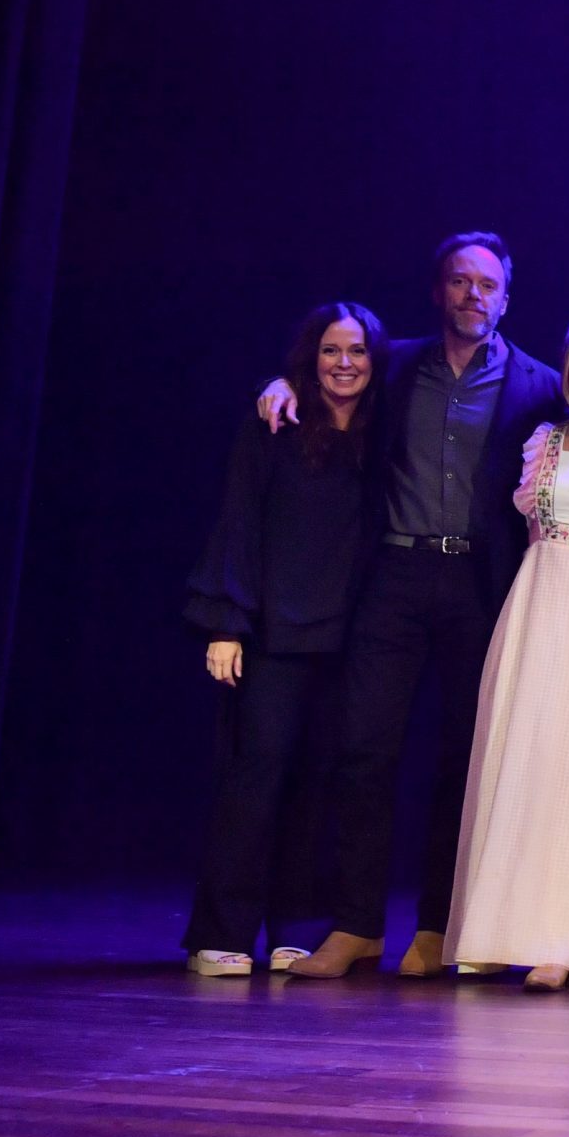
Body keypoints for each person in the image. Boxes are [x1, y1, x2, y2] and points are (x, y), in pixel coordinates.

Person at [272, 233, 567, 979]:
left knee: (465, 759)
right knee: (364, 750)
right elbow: (323, 389)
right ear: (439, 292)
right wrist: (276, 389)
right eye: (460, 282)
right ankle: (357, 925)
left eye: (488, 284)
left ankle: (439, 925)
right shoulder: (393, 365)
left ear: (507, 296)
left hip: (481, 582)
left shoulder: (538, 383)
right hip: (393, 576)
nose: (474, 294)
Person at [183, 303, 388, 975]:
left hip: (347, 637)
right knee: (255, 779)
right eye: (331, 350)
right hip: (271, 631)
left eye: (356, 350)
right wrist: (226, 623)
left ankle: (294, 925)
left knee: (318, 784)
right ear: (311, 356)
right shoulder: (275, 424)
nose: (345, 363)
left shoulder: (381, 434)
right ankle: (224, 931)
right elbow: (239, 520)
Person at [441, 315, 569, 990]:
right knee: (520, 755)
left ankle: (566, 937)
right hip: (539, 600)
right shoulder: (544, 442)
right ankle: (499, 929)